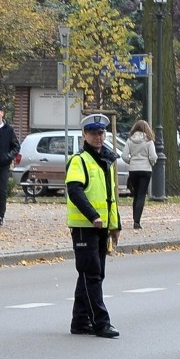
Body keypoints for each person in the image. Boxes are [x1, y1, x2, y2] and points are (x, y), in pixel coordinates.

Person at [65, 113, 121, 339]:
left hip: (102, 227)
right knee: (92, 274)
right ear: (84, 135)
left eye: (101, 133)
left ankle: (80, 320)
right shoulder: (79, 160)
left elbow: (111, 197)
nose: (98, 137)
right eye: (93, 133)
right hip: (84, 227)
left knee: (91, 275)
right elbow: (75, 191)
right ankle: (101, 322)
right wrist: (92, 216)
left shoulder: (105, 160)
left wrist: (116, 225)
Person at [121, 120, 157, 229]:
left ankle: (134, 217)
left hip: (133, 170)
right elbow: (153, 156)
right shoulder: (149, 141)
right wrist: (151, 163)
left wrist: (131, 161)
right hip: (145, 170)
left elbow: (124, 155)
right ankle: (137, 221)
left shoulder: (130, 140)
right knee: (142, 195)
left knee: (136, 195)